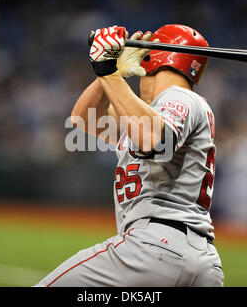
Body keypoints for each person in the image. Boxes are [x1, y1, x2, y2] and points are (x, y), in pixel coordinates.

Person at [36, 24, 223, 287]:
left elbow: (155, 142)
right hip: (202, 263)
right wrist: (114, 73)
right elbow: (85, 118)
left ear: (151, 59)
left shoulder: (178, 97)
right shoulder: (148, 115)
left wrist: (108, 70)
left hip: (155, 247)